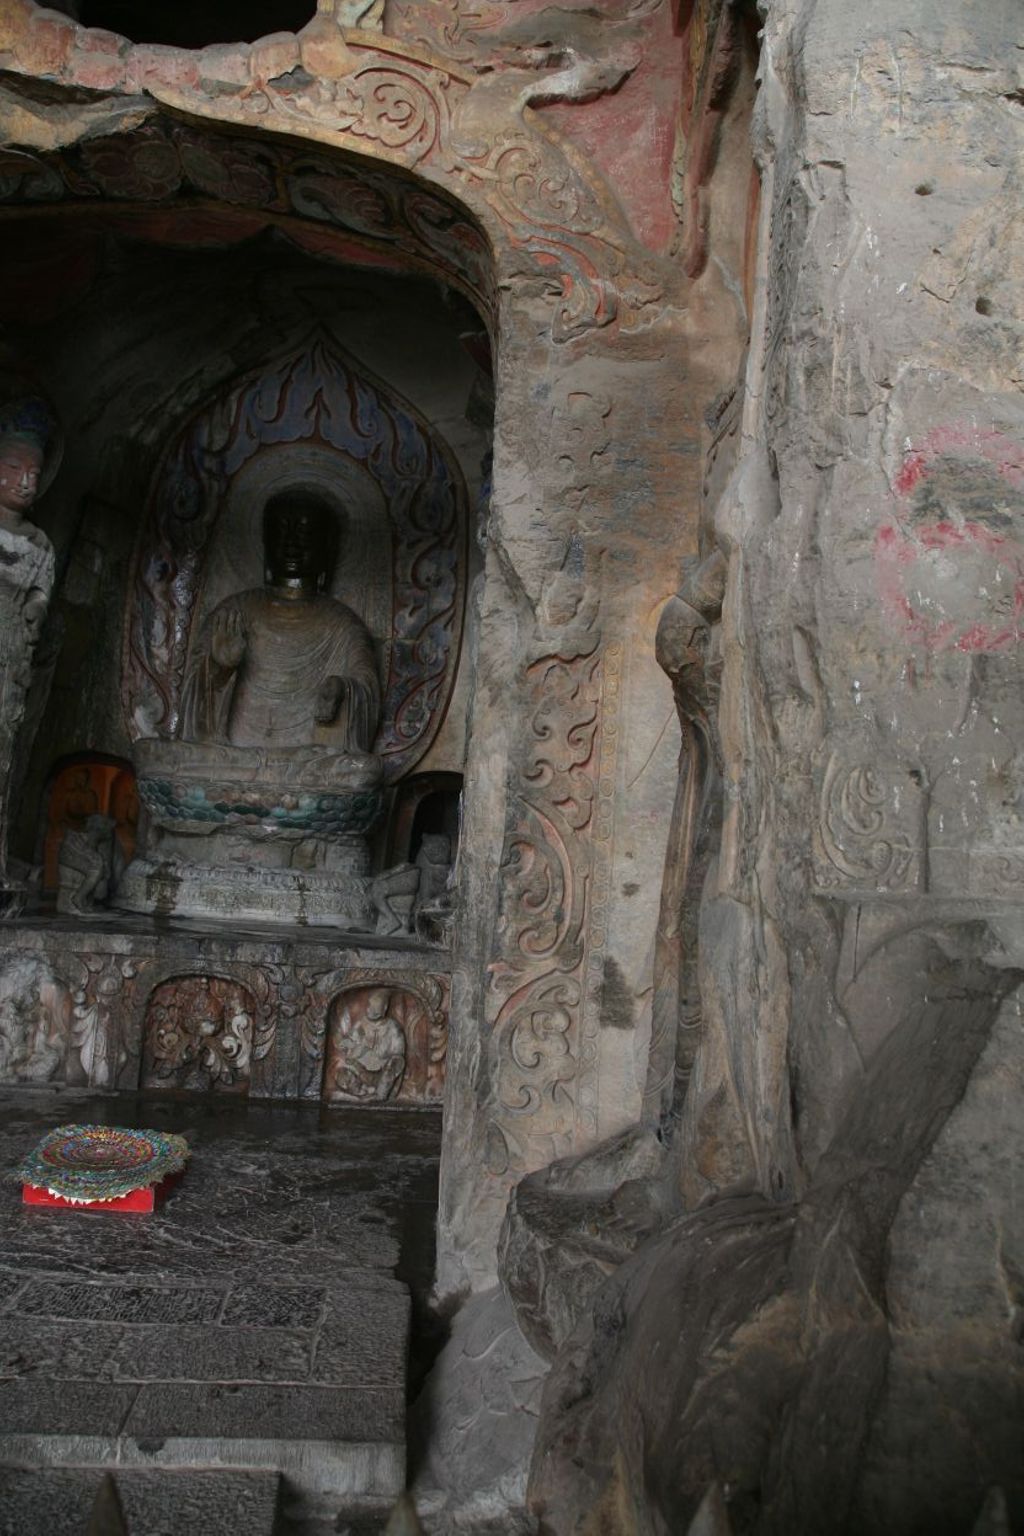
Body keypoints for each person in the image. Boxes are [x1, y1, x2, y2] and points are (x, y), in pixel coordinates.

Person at [180, 488, 381, 755]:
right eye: (281, 531)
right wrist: (218, 669)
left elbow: (366, 693)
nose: (291, 544)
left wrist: (342, 691)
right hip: (233, 759)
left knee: (361, 771)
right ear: (266, 540)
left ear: (325, 545)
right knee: (153, 754)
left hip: (307, 763)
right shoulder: (233, 612)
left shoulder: (344, 625)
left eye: (304, 533)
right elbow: (190, 722)